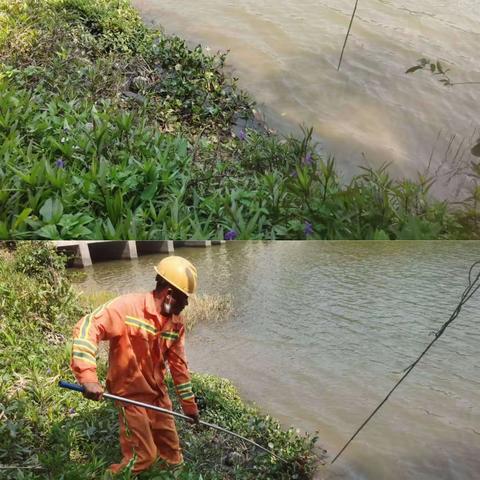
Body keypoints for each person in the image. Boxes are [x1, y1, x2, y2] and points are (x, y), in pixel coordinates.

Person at [70, 256, 200, 475]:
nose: (186, 305)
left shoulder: (175, 324)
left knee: (174, 458)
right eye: (183, 299)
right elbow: (87, 327)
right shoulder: (127, 307)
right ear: (168, 294)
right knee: (143, 457)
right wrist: (88, 377)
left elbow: (179, 367)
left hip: (158, 396)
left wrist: (189, 406)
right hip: (129, 396)